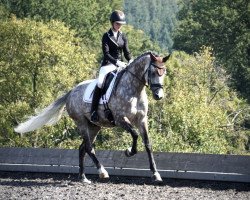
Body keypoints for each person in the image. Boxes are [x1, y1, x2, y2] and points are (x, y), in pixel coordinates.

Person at [90, 10, 133, 123]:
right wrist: (116, 62)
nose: (119, 26)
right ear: (112, 22)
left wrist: (131, 60)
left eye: (120, 24)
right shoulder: (106, 36)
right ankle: (93, 110)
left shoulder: (123, 36)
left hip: (121, 65)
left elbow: (127, 52)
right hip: (108, 64)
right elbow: (106, 54)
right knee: (100, 82)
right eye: (117, 23)